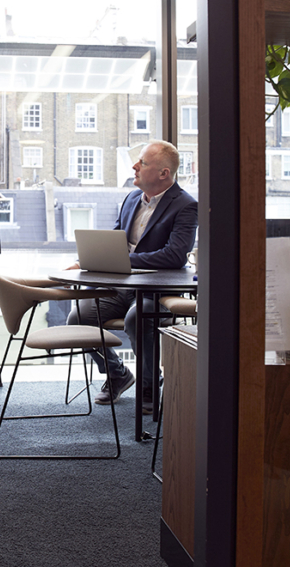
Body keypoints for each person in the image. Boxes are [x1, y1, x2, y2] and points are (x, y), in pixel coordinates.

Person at [66, 140, 197, 413]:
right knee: (78, 318)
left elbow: (174, 256)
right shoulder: (130, 199)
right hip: (123, 287)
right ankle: (117, 373)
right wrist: (87, 260)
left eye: (143, 163)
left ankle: (150, 384)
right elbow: (115, 242)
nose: (135, 167)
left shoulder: (185, 205)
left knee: (137, 319)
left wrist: (124, 260)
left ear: (163, 173)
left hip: (157, 291)